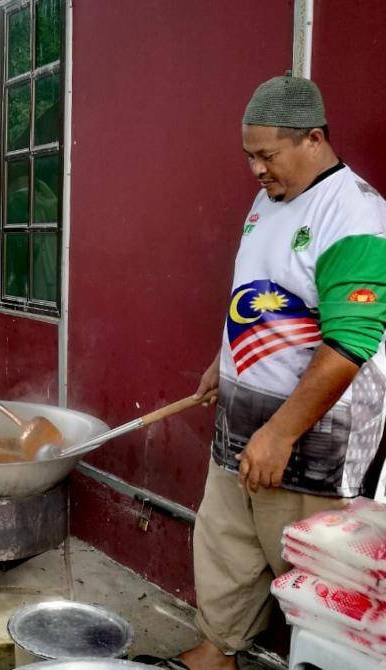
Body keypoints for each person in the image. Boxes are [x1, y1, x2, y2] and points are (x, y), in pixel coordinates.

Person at [139, 75, 386, 670]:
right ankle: (216, 651)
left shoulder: (354, 211)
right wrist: (222, 366)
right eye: (249, 155)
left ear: (313, 139)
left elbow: (352, 341)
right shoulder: (268, 200)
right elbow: (259, 296)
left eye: (267, 155)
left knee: (306, 565)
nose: (255, 169)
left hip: (313, 434)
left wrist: (281, 432)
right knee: (226, 540)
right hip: (241, 415)